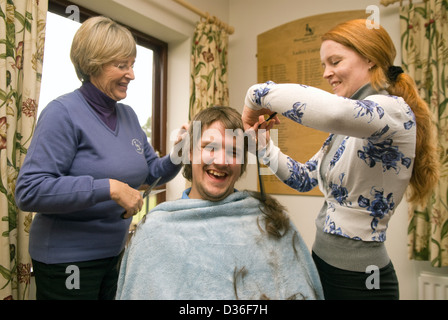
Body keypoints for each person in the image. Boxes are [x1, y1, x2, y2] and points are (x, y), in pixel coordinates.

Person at [241, 19, 439, 300]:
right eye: (323, 65)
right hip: (324, 264)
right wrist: (264, 147)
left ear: (369, 58)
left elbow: (334, 113)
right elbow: (303, 178)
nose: (326, 73)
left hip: (361, 280)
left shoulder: (393, 111)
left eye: (334, 61)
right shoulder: (351, 128)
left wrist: (255, 95)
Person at [15, 16, 185, 300]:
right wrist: (111, 188)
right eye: (122, 65)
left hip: (115, 254)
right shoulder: (63, 113)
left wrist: (181, 153)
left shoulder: (128, 115)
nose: (131, 74)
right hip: (67, 262)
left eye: (132, 64)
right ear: (93, 65)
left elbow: (150, 174)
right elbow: (30, 191)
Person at [115, 106, 324, 300]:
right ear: (188, 152)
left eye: (233, 151)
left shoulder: (270, 222)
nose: (221, 161)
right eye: (210, 147)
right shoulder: (155, 230)